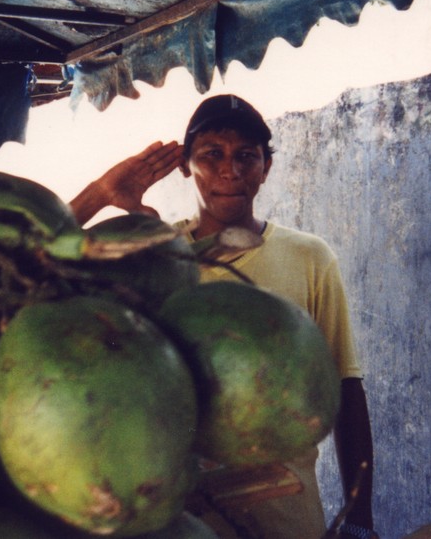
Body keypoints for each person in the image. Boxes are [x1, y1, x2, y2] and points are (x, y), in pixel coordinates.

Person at [70, 94, 376, 539]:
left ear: (265, 167)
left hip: (288, 514)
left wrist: (360, 518)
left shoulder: (311, 258)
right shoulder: (156, 254)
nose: (230, 170)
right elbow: (36, 259)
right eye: (212, 155)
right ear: (185, 165)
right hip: (187, 515)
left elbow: (346, 387)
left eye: (246, 156)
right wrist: (100, 194)